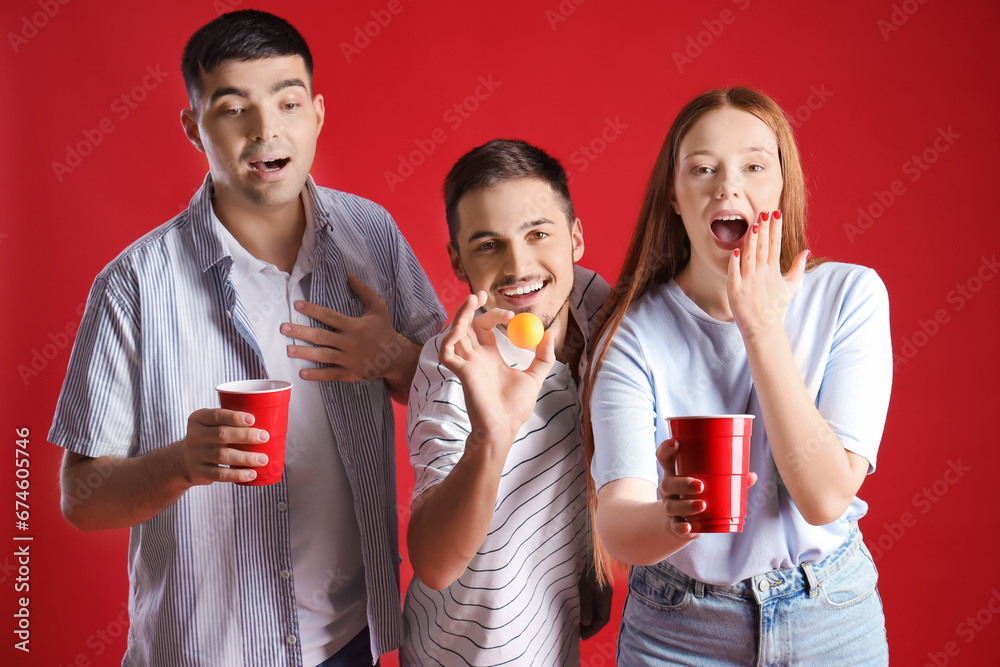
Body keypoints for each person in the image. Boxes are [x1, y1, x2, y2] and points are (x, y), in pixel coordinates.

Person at [49, 10, 444, 666]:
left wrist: (397, 359)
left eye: (288, 103)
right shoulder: (133, 285)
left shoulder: (372, 236)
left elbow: (455, 397)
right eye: (234, 109)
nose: (266, 129)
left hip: (353, 641)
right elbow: (80, 500)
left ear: (317, 113)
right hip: (205, 650)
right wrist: (181, 462)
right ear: (193, 127)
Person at [584, 87, 892, 665]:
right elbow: (618, 521)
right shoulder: (630, 334)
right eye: (702, 169)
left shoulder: (850, 295)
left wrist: (762, 327)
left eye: (754, 166)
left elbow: (825, 497)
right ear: (674, 195)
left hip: (829, 615)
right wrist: (673, 520)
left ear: (781, 186)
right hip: (678, 630)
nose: (727, 187)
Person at [401, 139, 614, 666]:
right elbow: (434, 564)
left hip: (554, 643)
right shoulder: (452, 370)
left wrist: (594, 560)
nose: (519, 266)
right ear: (457, 261)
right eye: (488, 245)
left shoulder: (597, 309)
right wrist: (491, 435)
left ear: (576, 238)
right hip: (465, 654)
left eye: (538, 234)